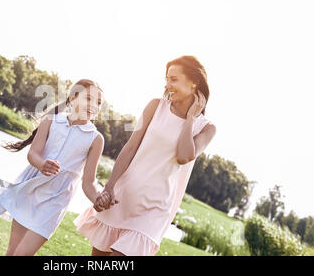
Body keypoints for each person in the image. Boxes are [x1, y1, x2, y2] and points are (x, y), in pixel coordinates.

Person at [74, 56, 216, 256]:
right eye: (166, 79)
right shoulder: (155, 106)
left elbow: (184, 156)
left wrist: (190, 119)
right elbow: (130, 148)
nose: (168, 85)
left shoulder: (206, 128)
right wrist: (110, 186)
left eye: (174, 79)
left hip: (154, 210)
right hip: (123, 196)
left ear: (193, 82)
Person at [0, 79, 106, 256]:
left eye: (98, 102)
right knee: (12, 252)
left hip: (55, 201)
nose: (94, 106)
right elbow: (32, 154)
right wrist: (42, 164)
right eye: (88, 98)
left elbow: (88, 182)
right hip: (30, 190)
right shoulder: (51, 120)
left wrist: (97, 199)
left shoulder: (95, 139)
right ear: (73, 99)